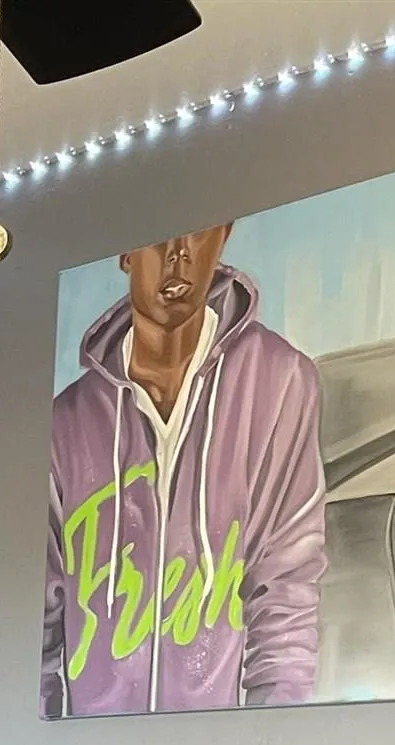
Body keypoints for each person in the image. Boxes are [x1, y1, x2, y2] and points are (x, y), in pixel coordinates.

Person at [42, 225, 327, 718]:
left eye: (197, 233)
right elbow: (40, 630)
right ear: (125, 252)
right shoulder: (68, 422)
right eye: (156, 236)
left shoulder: (278, 384)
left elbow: (286, 591)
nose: (178, 254)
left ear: (224, 234)